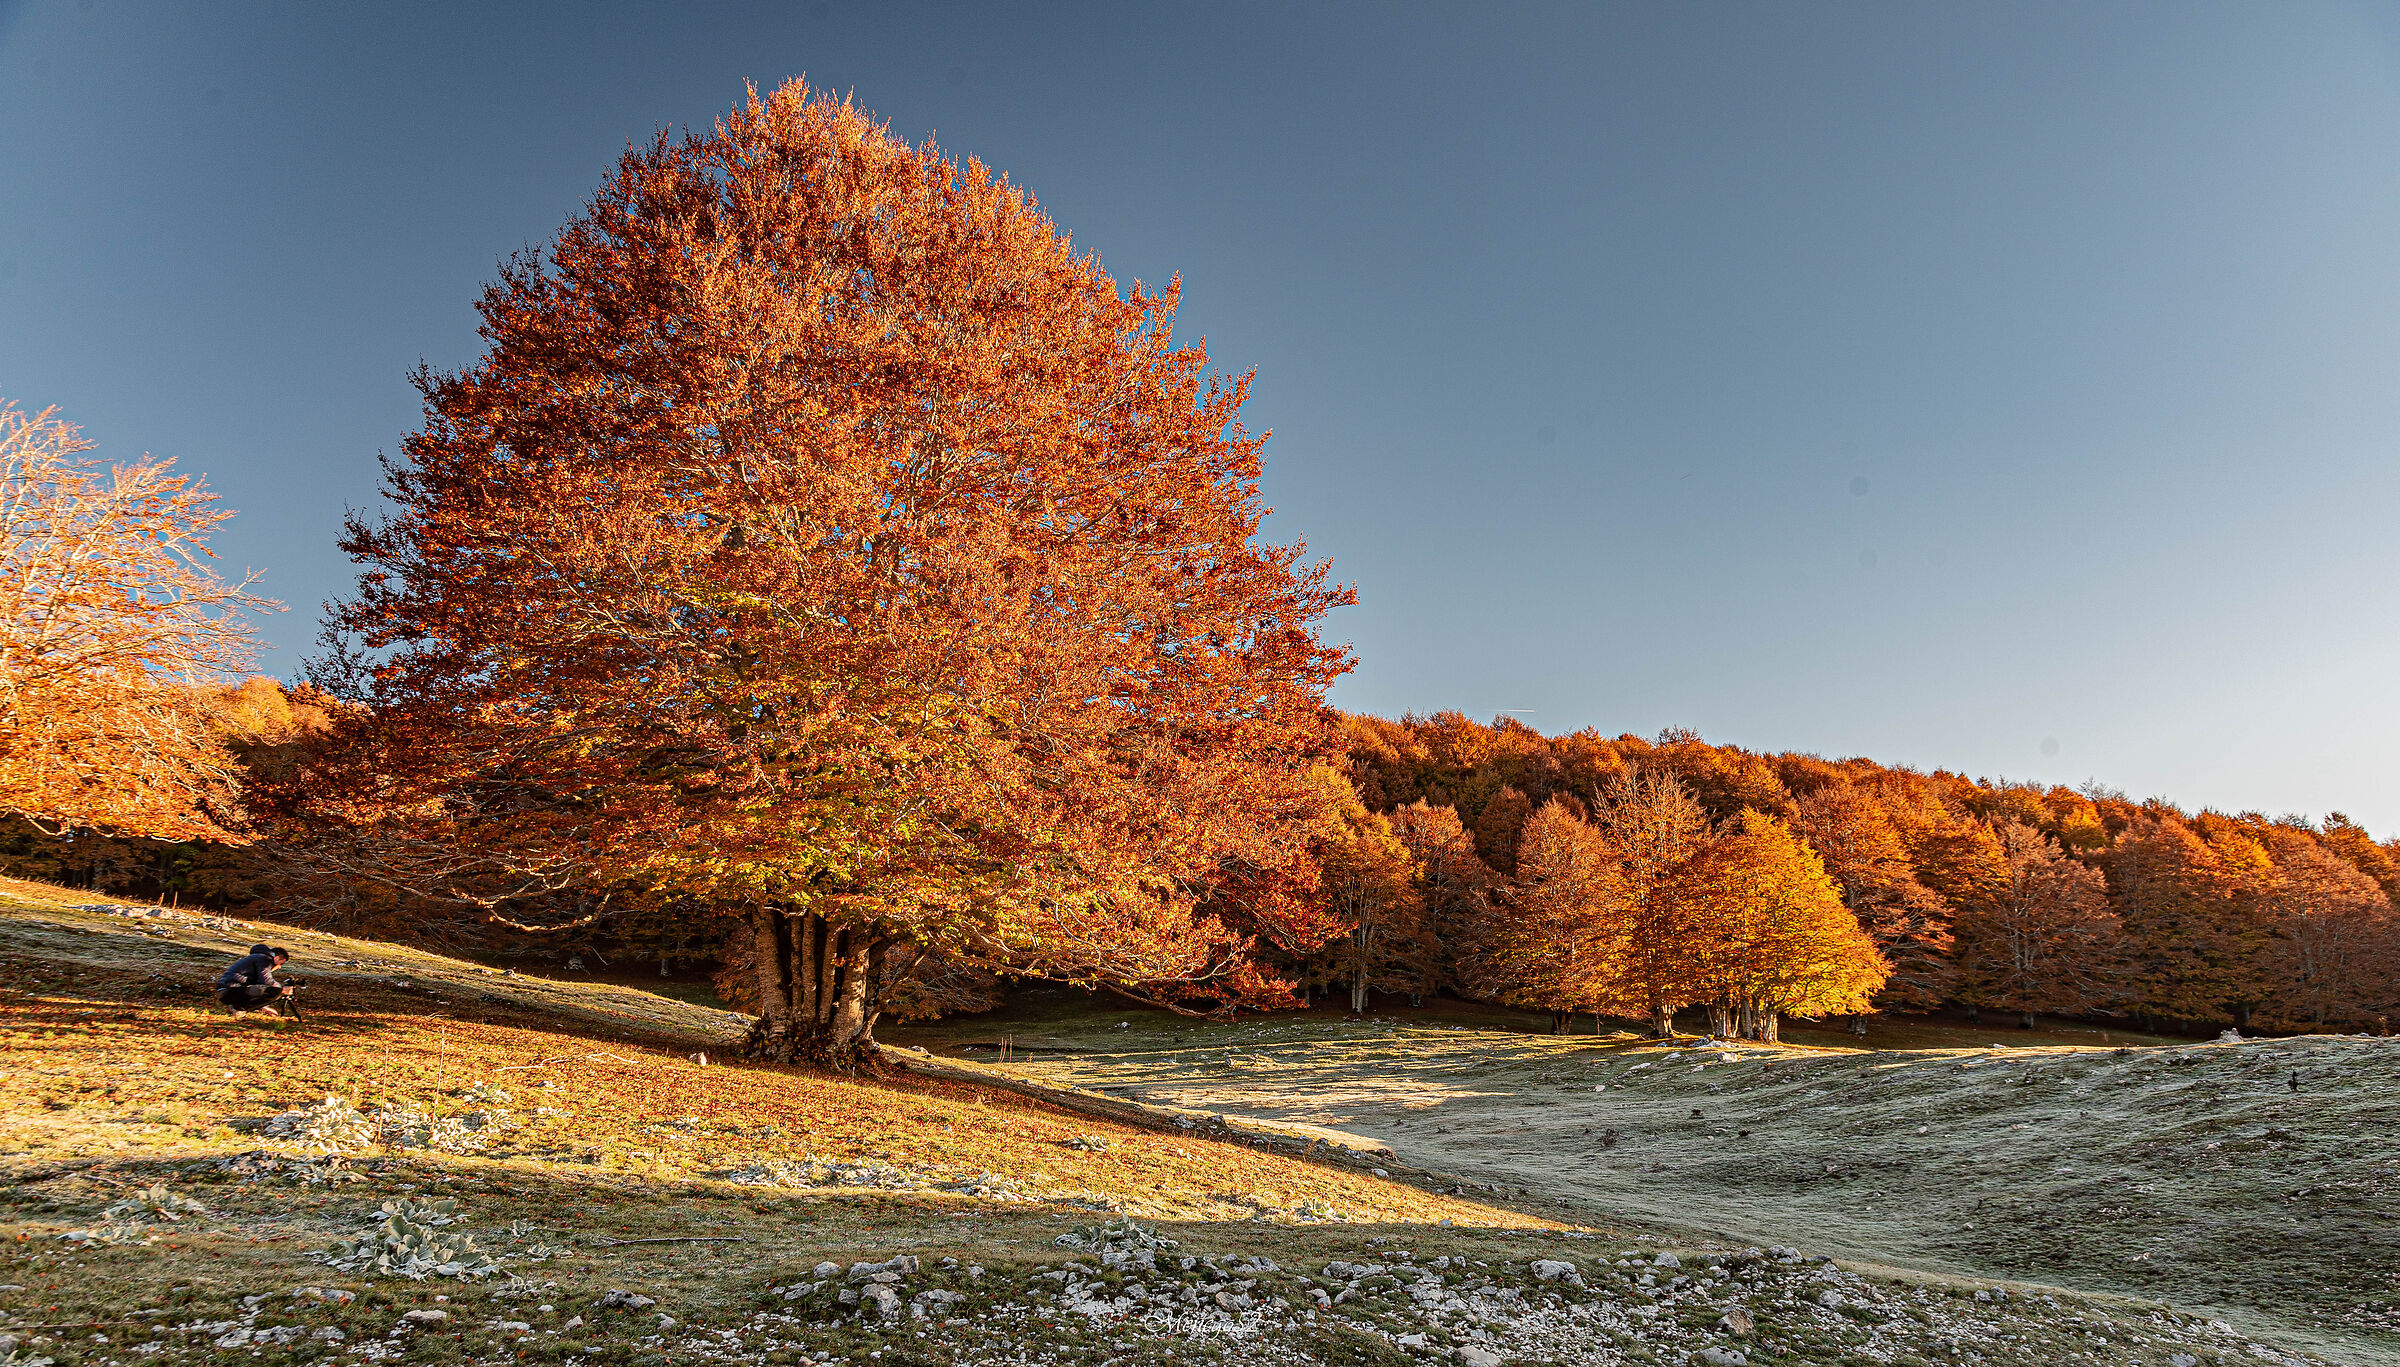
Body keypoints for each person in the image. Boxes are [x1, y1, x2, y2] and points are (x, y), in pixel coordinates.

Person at [216, 943, 292, 1016]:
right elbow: (266, 981)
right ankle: (238, 1008)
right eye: (280, 963)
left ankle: (234, 1006)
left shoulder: (257, 957)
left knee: (269, 989)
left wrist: (263, 1007)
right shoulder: (265, 959)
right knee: (275, 991)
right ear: (276, 958)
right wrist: (282, 988)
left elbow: (257, 983)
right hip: (232, 989)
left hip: (225, 990)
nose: (279, 967)